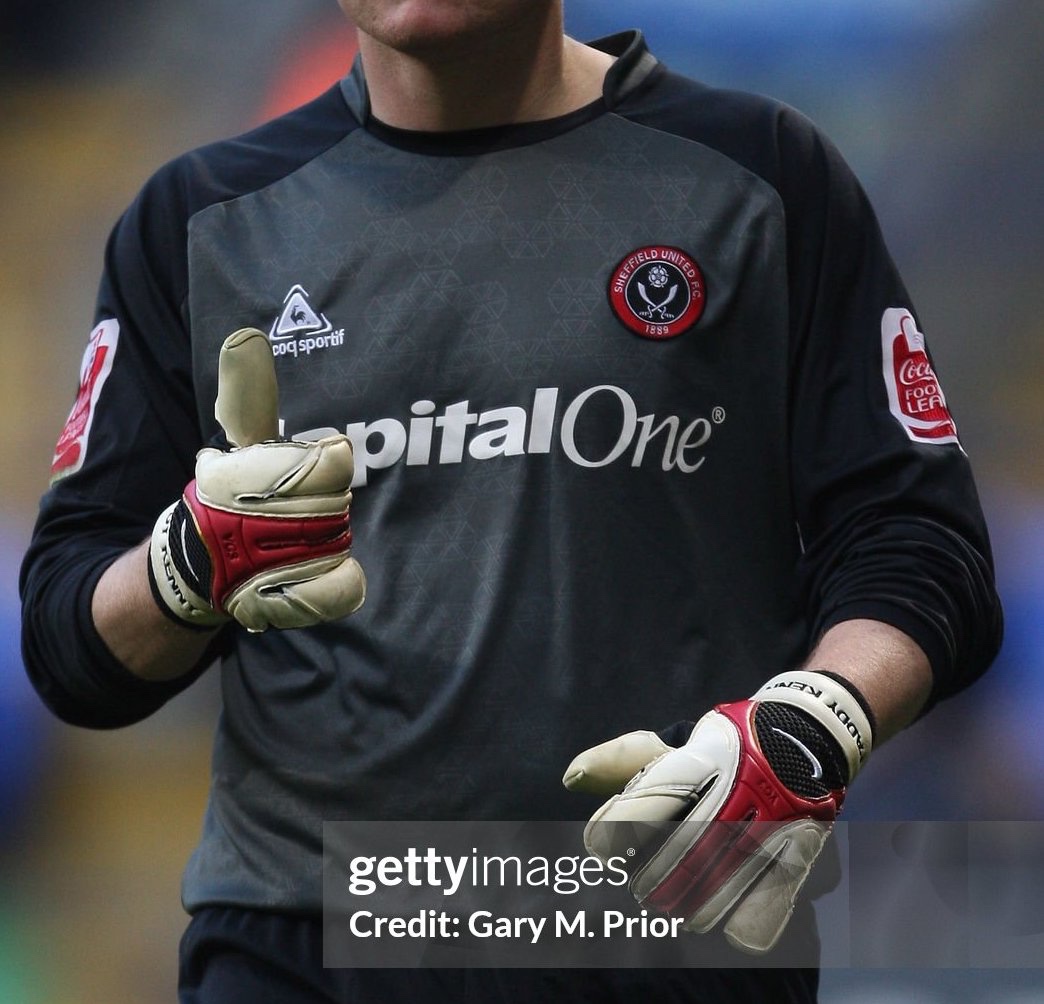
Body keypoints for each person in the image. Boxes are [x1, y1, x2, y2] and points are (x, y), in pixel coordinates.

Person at [20, 1, 1002, 1001]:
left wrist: (813, 727)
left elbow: (918, 542)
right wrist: (187, 564)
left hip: (663, 931)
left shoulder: (762, 176)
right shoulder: (200, 221)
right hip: (313, 941)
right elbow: (69, 636)